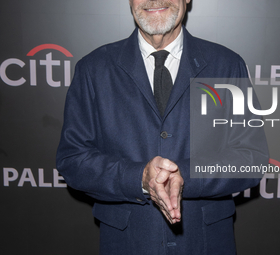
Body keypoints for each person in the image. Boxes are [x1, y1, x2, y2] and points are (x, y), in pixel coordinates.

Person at [56, 0, 269, 254]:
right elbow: (73, 159)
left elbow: (250, 158)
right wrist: (139, 178)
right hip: (126, 245)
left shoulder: (226, 65)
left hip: (206, 244)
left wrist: (184, 176)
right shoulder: (93, 69)